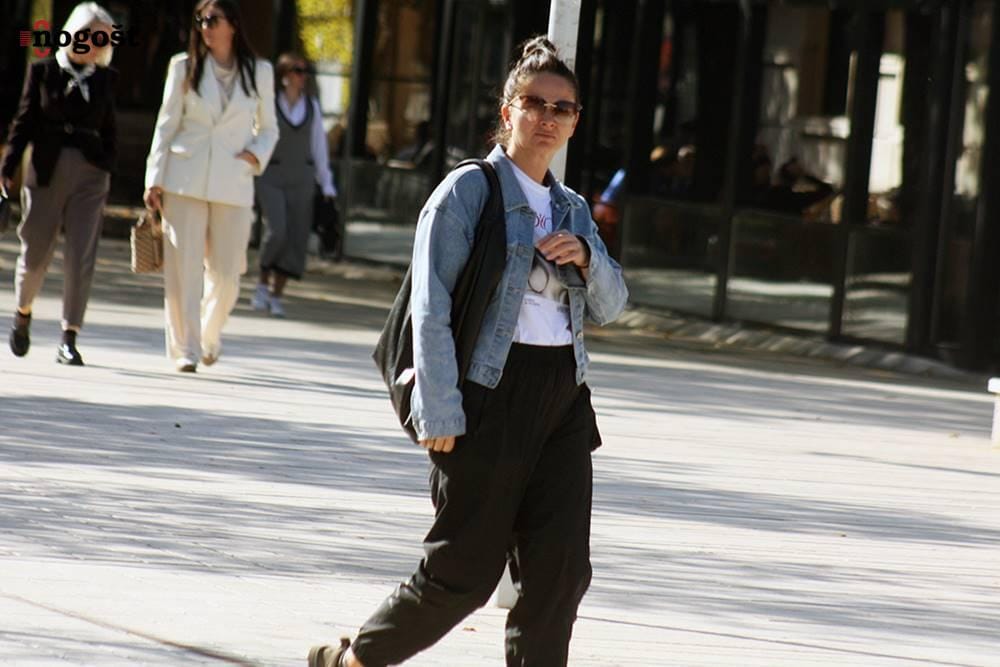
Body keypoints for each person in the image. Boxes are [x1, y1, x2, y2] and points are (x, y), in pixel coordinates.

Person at [308, 36, 628, 667]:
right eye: (534, 103)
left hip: (563, 402)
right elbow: (429, 306)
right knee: (463, 573)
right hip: (488, 397)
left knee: (561, 573)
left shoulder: (571, 209)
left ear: (575, 122)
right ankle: (355, 660)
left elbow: (613, 305)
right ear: (508, 111)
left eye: (562, 108)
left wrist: (589, 258)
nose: (547, 117)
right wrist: (438, 409)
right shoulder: (468, 191)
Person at [143, 0, 278, 372]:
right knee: (183, 270)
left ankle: (209, 333)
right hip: (183, 178)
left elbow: (269, 129)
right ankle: (185, 349)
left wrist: (255, 155)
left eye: (213, 19)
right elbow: (165, 126)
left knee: (228, 274)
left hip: (233, 181)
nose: (205, 26)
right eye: (200, 20)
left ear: (232, 24)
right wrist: (154, 179)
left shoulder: (259, 71)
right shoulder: (182, 67)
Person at [1, 2, 118, 366]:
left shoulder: (105, 79)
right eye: (91, 35)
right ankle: (23, 312)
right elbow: (24, 121)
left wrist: (107, 166)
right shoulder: (43, 71)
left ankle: (69, 336)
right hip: (46, 169)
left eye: (104, 39)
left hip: (90, 173)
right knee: (36, 250)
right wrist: (7, 166)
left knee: (81, 255)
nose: (96, 44)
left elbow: (110, 129)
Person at [251, 53, 336, 317]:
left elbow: (319, 147)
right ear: (285, 75)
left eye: (305, 71)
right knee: (277, 230)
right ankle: (262, 282)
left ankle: (277, 295)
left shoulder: (312, 107)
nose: (303, 76)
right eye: (297, 71)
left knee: (296, 236)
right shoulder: (269, 103)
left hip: (302, 178)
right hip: (272, 176)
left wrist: (327, 184)